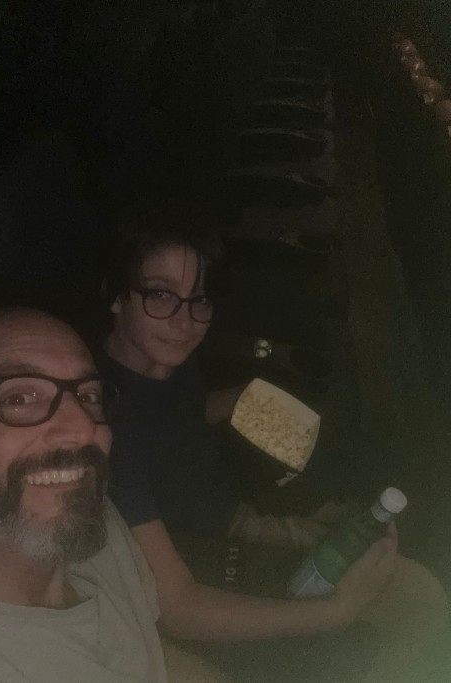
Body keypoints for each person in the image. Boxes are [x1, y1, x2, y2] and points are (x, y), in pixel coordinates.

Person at [98, 207, 448, 682]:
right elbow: (178, 605)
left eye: (199, 300)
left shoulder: (159, 358)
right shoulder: (103, 430)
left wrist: (239, 399)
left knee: (388, 526)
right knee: (414, 595)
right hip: (211, 552)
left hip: (233, 501)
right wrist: (336, 610)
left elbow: (172, 417)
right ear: (115, 295)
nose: (185, 322)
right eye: (161, 295)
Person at [0, 306, 230, 683]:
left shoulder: (96, 522)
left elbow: (148, 655)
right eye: (19, 398)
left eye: (88, 395)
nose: (83, 427)